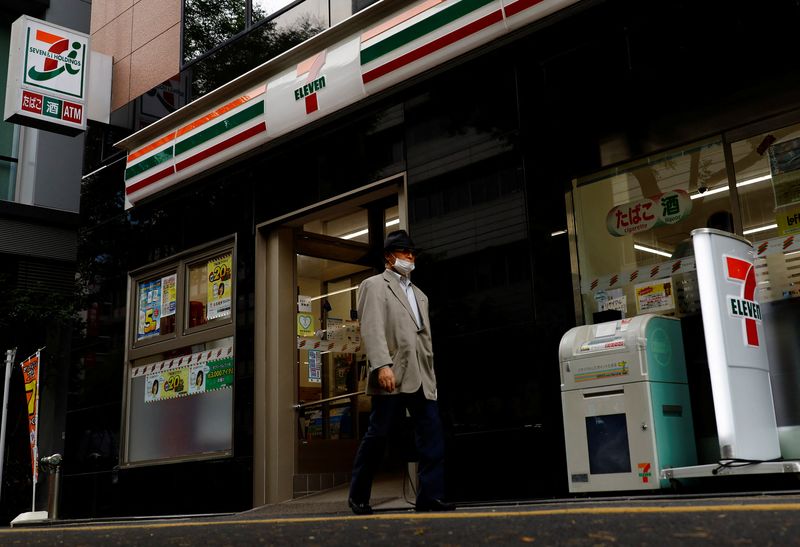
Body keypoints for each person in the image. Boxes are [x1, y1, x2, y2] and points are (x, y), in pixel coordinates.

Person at [348, 230, 453, 515]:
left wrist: (431, 373)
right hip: (393, 372)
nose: (410, 257)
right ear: (388, 255)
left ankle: (430, 497)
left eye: (412, 252)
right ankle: (358, 496)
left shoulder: (420, 295)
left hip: (422, 375)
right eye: (404, 251)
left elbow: (424, 338)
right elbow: (372, 327)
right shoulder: (373, 285)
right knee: (378, 434)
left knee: (432, 436)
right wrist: (382, 365)